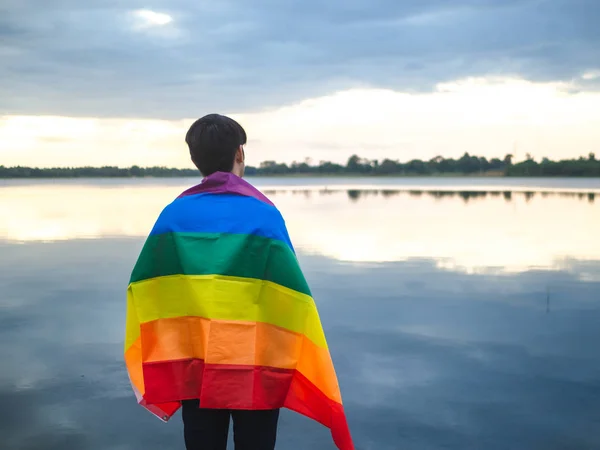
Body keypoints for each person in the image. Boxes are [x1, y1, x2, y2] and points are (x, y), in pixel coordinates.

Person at [124, 114, 354, 450]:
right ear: (240, 154)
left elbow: (146, 286)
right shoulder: (264, 215)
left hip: (197, 363)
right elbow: (289, 296)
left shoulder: (173, 216)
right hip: (255, 365)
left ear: (194, 159)